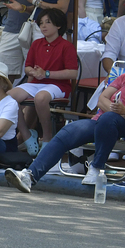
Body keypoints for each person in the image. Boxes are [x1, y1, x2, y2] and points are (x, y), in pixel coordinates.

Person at [6, 70, 125, 192]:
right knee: (68, 131)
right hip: (102, 122)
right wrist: (115, 110)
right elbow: (102, 99)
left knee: (109, 118)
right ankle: (30, 175)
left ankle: (96, 167)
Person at [9, 9, 78, 153]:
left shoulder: (66, 46)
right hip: (37, 83)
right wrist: (32, 72)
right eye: (41, 23)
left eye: (48, 22)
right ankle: (27, 134)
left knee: (40, 98)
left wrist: (46, 73)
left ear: (58, 25)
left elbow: (73, 72)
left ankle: (47, 137)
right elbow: (27, 67)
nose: (43, 26)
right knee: (9, 96)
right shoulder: (36, 44)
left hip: (58, 85)